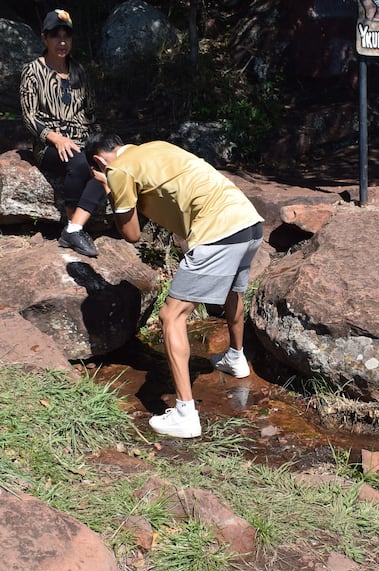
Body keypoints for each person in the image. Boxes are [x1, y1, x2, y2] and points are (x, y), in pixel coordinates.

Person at [85, 132, 265, 439]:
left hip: (217, 232)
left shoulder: (118, 170)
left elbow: (131, 233)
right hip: (248, 222)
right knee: (233, 291)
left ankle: (185, 415)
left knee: (171, 316)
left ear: (100, 161)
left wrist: (107, 187)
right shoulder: (156, 147)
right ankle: (236, 358)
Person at [19, 9, 104, 257]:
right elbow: (28, 117)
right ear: (44, 38)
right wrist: (56, 138)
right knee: (79, 164)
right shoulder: (32, 71)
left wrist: (101, 145)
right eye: (55, 35)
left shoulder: (79, 72)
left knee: (103, 167)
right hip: (49, 145)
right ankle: (75, 229)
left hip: (82, 140)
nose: (62, 41)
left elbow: (91, 115)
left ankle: (73, 229)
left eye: (67, 35)